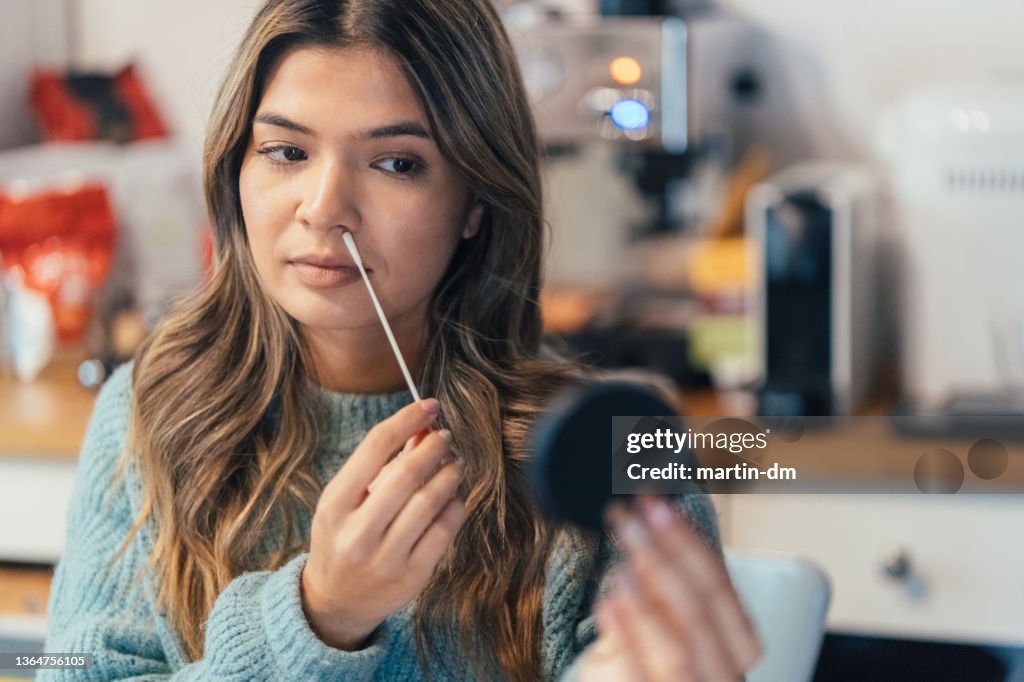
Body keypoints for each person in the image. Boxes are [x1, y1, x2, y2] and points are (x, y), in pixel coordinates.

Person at [42, 0, 761, 680]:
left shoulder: (607, 454)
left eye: (397, 163)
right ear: (237, 167)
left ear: (477, 200)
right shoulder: (149, 411)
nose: (324, 210)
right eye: (287, 151)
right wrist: (316, 616)